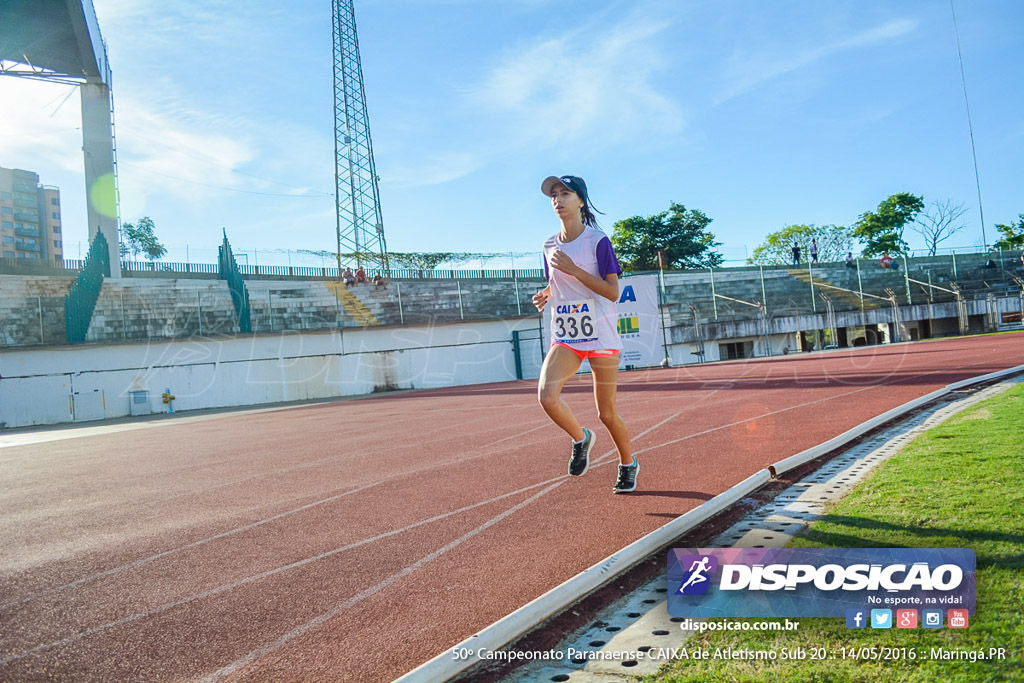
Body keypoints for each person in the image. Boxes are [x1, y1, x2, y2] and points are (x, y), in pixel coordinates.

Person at [532, 175, 637, 493]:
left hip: (601, 336)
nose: (557, 199)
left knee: (606, 413)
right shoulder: (548, 245)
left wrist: (575, 269)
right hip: (566, 333)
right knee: (546, 397)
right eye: (553, 195)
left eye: (565, 193)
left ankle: (627, 464)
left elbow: (612, 292)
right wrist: (546, 293)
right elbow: (558, 282)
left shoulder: (598, 241)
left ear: (581, 201)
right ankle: (581, 438)